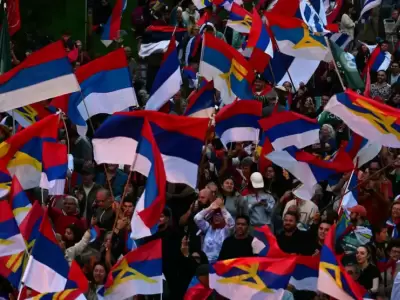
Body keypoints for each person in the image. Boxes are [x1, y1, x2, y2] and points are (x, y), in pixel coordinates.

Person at [194, 198, 235, 263]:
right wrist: (210, 208)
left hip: (221, 262)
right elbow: (197, 218)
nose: (216, 217)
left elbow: (231, 224)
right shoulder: (207, 228)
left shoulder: (226, 230)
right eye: (215, 215)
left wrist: (222, 208)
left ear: (224, 217)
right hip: (206, 262)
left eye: (219, 215)